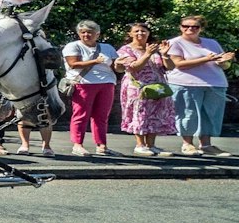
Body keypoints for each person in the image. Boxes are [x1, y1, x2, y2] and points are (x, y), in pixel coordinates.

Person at [166, 17, 233, 156]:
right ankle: (187, 144)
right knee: (188, 114)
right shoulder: (175, 43)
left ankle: (206, 145)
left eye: (195, 27)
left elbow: (223, 65)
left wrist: (225, 62)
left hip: (215, 83)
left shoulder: (211, 43)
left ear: (200, 28)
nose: (190, 29)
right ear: (180, 27)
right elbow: (179, 64)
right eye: (186, 26)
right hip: (186, 83)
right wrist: (206, 59)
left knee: (210, 115)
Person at [114, 22, 176, 156]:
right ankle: (140, 145)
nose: (140, 33)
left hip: (158, 87)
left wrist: (165, 55)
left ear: (148, 33)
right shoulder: (125, 50)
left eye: (143, 31)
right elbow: (134, 67)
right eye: (136, 31)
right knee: (140, 114)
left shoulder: (155, 48)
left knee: (155, 114)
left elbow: (169, 67)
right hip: (138, 87)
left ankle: (151, 145)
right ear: (130, 34)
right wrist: (147, 54)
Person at [61, 20, 119, 157]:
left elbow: (116, 66)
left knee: (102, 116)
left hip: (107, 83)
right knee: (81, 114)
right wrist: (96, 61)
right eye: (83, 32)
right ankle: (77, 144)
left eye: (90, 32)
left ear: (97, 34)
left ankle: (101, 145)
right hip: (84, 83)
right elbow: (73, 64)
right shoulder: (73, 46)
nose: (86, 35)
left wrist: (122, 64)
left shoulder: (108, 47)